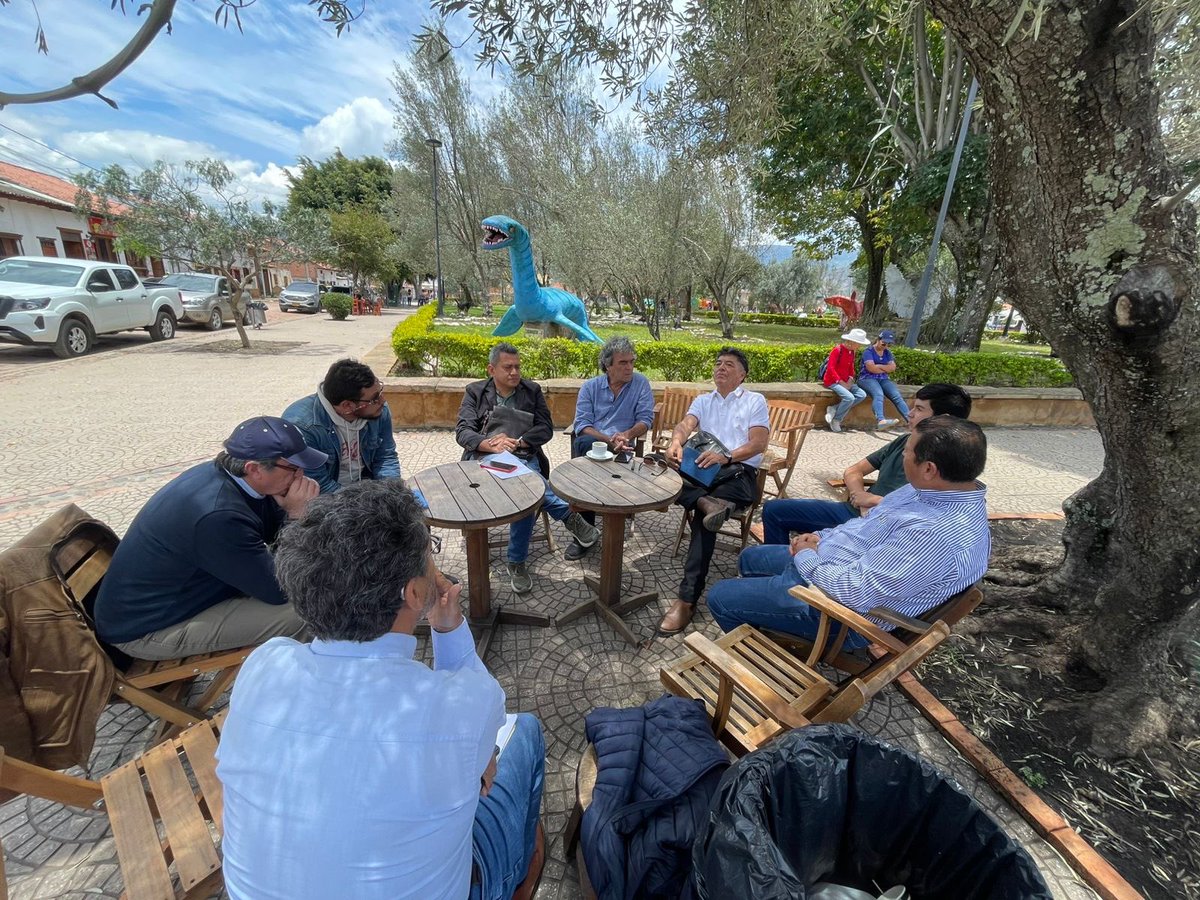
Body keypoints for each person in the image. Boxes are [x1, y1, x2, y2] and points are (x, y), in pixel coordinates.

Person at [217, 480, 546, 900]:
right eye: (430, 554)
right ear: (414, 593)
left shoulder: (264, 665)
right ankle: (519, 866)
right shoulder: (456, 707)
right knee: (525, 732)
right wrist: (449, 627)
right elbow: (481, 712)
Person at [706, 416, 989, 648]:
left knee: (720, 597)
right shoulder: (928, 491)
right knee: (749, 559)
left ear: (928, 469)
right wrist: (821, 538)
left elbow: (854, 593)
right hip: (829, 563)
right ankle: (765, 614)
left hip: (837, 615)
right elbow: (866, 525)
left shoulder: (936, 535)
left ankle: (766, 662)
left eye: (907, 451)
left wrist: (806, 556)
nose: (902, 455)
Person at [93, 416, 325, 660]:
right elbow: (278, 589)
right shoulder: (218, 515)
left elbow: (273, 536)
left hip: (188, 599)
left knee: (317, 590)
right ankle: (300, 680)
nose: (301, 475)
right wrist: (297, 517)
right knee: (310, 613)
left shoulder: (240, 481)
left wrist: (294, 515)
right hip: (148, 628)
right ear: (254, 468)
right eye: (293, 469)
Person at [455, 343, 599, 593]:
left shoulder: (531, 391)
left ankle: (516, 562)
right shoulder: (475, 392)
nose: (514, 372)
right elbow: (463, 431)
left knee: (526, 493)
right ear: (491, 369)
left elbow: (545, 428)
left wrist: (519, 442)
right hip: (483, 458)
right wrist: (491, 445)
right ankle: (568, 516)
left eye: (517, 367)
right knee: (528, 486)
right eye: (507, 367)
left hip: (522, 454)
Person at [760, 383, 973, 544]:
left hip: (881, 528)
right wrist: (859, 496)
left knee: (763, 552)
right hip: (855, 512)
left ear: (943, 419)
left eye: (919, 409)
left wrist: (876, 502)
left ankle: (785, 574)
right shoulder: (903, 441)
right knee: (774, 510)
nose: (910, 413)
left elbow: (927, 514)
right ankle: (778, 570)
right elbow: (854, 470)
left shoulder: (950, 464)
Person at [657, 347, 770, 636]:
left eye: (729, 364)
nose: (721, 367)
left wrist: (726, 456)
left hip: (737, 471)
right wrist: (675, 442)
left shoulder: (754, 401)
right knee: (656, 468)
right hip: (702, 470)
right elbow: (686, 425)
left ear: (742, 374)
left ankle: (687, 600)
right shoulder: (704, 400)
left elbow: (759, 443)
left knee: (704, 523)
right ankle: (707, 503)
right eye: (718, 363)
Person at [567, 335, 655, 560]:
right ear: (608, 366)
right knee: (585, 447)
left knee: (601, 464)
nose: (629, 367)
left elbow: (646, 419)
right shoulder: (590, 387)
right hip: (595, 443)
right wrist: (608, 439)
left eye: (632, 362)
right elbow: (582, 425)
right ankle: (585, 533)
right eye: (623, 363)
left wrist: (626, 435)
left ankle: (610, 525)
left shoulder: (640, 383)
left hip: (624, 445)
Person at [282, 358, 402, 494]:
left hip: (366, 487)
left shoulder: (377, 410)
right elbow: (319, 484)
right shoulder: (304, 427)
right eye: (375, 398)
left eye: (380, 392)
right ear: (347, 406)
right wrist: (363, 503)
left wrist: (391, 493)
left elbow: (386, 457)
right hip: (328, 497)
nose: (383, 400)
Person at [858, 329, 910, 428]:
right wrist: (884, 368)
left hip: (883, 379)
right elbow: (871, 368)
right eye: (884, 343)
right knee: (878, 394)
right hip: (866, 378)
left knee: (897, 396)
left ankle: (911, 421)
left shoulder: (887, 353)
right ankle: (881, 420)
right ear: (878, 340)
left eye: (888, 345)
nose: (885, 346)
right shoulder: (868, 352)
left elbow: (892, 368)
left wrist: (878, 366)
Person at [822, 327, 871, 432]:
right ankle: (836, 420)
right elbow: (831, 368)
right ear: (852, 342)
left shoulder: (852, 352)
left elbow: (850, 367)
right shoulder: (837, 350)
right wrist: (841, 382)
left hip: (846, 381)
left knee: (862, 395)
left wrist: (850, 379)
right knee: (849, 398)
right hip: (833, 381)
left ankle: (834, 408)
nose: (860, 346)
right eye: (859, 343)